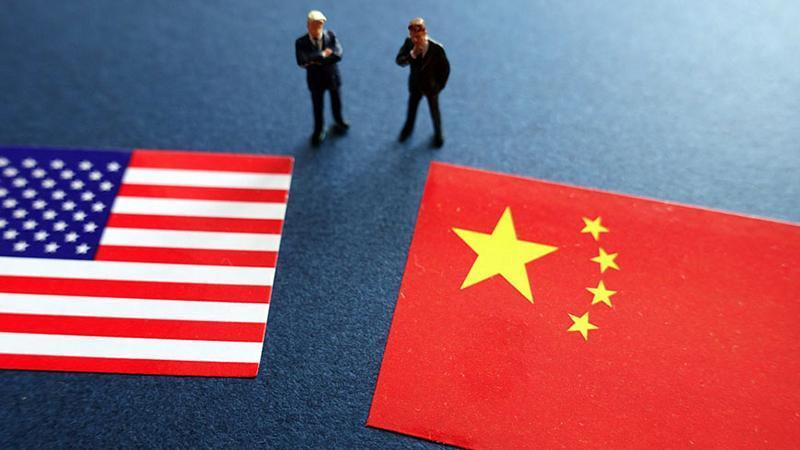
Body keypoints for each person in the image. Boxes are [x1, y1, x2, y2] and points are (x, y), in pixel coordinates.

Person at [295, 10, 349, 147]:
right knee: (318, 107)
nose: (317, 28)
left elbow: (338, 55)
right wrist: (322, 54)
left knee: (337, 102)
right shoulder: (301, 42)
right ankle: (319, 130)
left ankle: (339, 120)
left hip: (332, 77)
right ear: (308, 25)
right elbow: (302, 61)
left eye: (319, 25)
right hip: (315, 80)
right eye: (314, 25)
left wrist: (314, 60)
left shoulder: (330, 36)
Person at [396, 17, 450, 148]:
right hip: (415, 85)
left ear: (425, 33)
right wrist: (412, 55)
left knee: (434, 112)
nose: (415, 40)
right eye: (413, 37)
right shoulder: (408, 44)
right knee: (411, 109)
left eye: (418, 37)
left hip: (431, 88)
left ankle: (438, 133)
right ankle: (408, 129)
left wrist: (439, 86)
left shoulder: (437, 49)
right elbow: (399, 61)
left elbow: (445, 69)